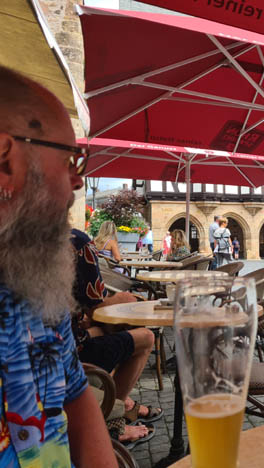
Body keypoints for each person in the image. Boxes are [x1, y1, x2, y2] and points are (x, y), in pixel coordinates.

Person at [0, 65, 115, 465]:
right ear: (5, 159)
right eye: (72, 160)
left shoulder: (33, 282)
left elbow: (75, 394)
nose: (79, 180)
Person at [71, 229, 160, 446]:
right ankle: (113, 420)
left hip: (52, 344)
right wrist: (121, 298)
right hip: (66, 353)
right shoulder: (77, 242)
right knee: (146, 337)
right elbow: (96, 306)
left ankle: (122, 403)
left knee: (105, 329)